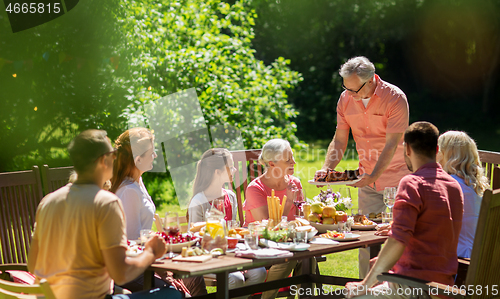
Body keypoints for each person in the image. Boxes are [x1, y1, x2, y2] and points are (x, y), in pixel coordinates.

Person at [28, 129, 167, 299]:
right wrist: (151, 253)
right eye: (113, 154)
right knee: (173, 294)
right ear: (103, 160)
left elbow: (33, 264)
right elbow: (121, 274)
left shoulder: (47, 202)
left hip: (48, 297)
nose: (116, 158)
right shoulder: (106, 203)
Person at [315, 56, 410, 278]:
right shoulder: (345, 99)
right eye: (346, 88)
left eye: (354, 90)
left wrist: (373, 175)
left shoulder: (395, 98)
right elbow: (339, 139)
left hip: (397, 180)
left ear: (371, 81)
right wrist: (327, 169)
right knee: (366, 242)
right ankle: (364, 290)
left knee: (397, 239)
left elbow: (392, 144)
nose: (349, 94)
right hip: (367, 179)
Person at [345, 121, 464, 299]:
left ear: (406, 149)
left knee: (352, 295)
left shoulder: (412, 182)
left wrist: (364, 285)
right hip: (444, 287)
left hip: (415, 287)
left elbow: (398, 240)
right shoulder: (454, 187)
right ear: (437, 149)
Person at [110, 127, 196, 296]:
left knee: (193, 283)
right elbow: (132, 243)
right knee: (179, 292)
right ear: (138, 159)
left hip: (145, 263)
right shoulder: (129, 191)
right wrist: (162, 271)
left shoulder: (137, 182)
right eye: (152, 152)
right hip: (131, 270)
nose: (155, 156)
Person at [188, 148, 267, 297]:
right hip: (207, 257)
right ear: (217, 172)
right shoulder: (199, 201)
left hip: (231, 254)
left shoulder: (230, 196)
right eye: (230, 167)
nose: (234, 169)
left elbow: (232, 231)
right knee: (235, 278)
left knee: (259, 272)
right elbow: (194, 240)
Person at [243, 139, 302, 299]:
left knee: (304, 255)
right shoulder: (255, 189)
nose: (294, 162)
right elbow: (268, 228)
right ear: (272, 163)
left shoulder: (295, 183)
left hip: (290, 241)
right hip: (259, 243)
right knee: (293, 256)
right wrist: (289, 201)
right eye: (288, 159)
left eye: (292, 157)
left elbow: (301, 220)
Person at [437, 131, 489, 259]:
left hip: (461, 259)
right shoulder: (472, 184)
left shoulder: (452, 186)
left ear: (446, 155)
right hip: (479, 257)